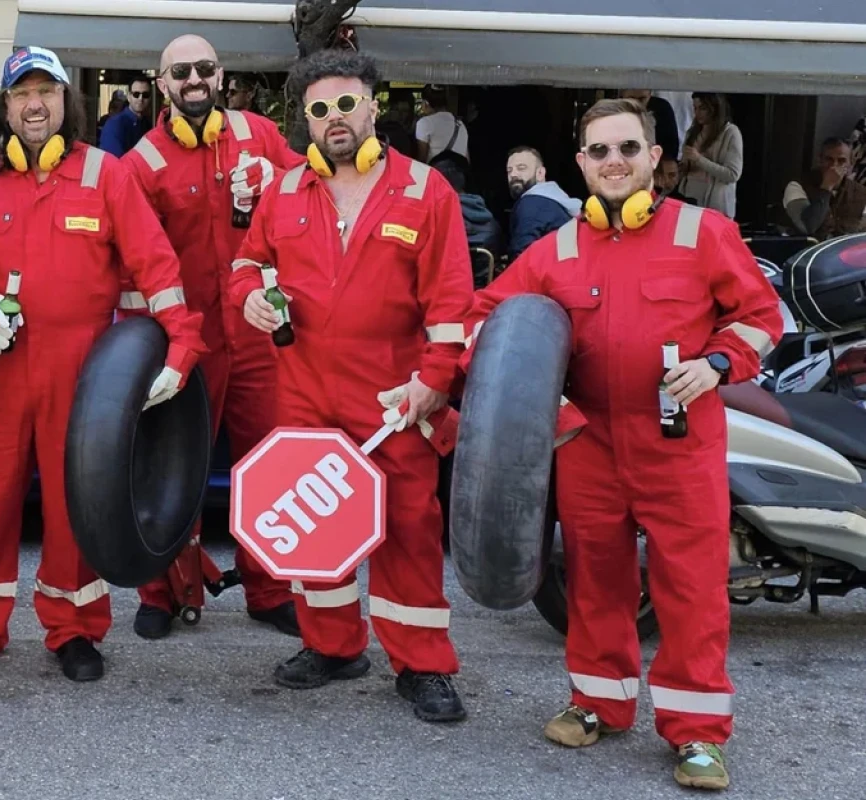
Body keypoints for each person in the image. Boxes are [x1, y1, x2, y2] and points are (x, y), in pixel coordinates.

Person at [464, 97, 782, 792]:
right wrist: (551, 410)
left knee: (691, 590)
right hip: (588, 442)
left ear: (654, 158)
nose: (615, 162)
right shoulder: (556, 249)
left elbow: (761, 317)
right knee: (596, 582)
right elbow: (486, 327)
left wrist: (720, 363)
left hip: (680, 439)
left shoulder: (705, 232)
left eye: (628, 149)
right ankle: (596, 703)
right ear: (581, 163)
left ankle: (697, 733)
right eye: (600, 151)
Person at [0, 46, 205, 682]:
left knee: (76, 503)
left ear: (65, 103)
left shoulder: (106, 173)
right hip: (0, 367)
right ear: (6, 107)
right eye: (22, 94)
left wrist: (181, 346)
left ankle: (73, 628)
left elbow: (155, 265)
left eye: (46, 91)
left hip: (82, 371)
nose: (34, 104)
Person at [228, 49, 473, 723]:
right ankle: (333, 646)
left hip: (395, 397)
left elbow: (453, 305)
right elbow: (247, 265)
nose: (334, 119)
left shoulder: (427, 191)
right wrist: (250, 294)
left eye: (346, 104)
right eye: (319, 109)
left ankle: (421, 662)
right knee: (316, 526)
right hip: (303, 391)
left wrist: (433, 382)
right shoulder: (280, 192)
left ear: (372, 106)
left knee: (409, 528)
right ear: (304, 120)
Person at [119, 33, 300, 640]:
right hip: (186, 339)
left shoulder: (260, 135)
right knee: (172, 466)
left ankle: (269, 590)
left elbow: (309, 198)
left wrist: (273, 180)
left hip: (254, 333)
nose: (193, 79)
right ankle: (162, 593)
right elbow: (132, 261)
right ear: (162, 82)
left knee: (268, 466)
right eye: (179, 71)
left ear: (219, 75)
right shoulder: (140, 162)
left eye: (203, 68)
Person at [783, 137, 866, 240]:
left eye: (841, 161)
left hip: (841, 253)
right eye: (829, 159)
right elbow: (808, 227)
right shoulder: (797, 186)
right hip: (806, 251)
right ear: (820, 160)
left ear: (850, 164)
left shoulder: (861, 193)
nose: (834, 166)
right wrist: (826, 187)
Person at [505, 146, 581, 260]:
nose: (513, 174)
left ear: (540, 173)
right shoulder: (557, 201)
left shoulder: (531, 203)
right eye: (509, 170)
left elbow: (523, 257)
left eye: (521, 168)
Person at [679, 92, 743, 219]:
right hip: (690, 202)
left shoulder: (730, 133)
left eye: (702, 108)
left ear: (715, 107)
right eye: (695, 108)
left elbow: (732, 174)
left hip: (715, 207)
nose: (697, 113)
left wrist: (699, 159)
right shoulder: (693, 133)